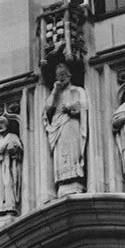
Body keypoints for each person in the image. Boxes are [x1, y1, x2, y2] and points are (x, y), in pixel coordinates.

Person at [44, 61, 89, 193]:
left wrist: (71, 107)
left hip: (71, 123)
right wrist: (54, 91)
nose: (61, 78)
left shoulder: (77, 90)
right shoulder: (55, 94)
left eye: (63, 75)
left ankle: (75, 179)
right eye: (58, 76)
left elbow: (84, 106)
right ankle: (62, 182)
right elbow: (47, 109)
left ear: (69, 76)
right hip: (58, 125)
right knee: (60, 154)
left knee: (72, 151)